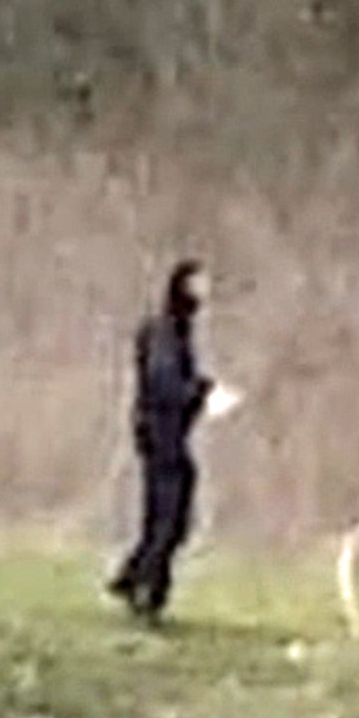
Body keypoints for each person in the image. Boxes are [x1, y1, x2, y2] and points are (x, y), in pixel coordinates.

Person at [108, 260, 235, 625]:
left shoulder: (177, 330)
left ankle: (134, 578)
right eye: (198, 286)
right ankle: (145, 591)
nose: (205, 293)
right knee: (169, 520)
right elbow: (164, 384)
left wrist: (204, 388)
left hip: (167, 436)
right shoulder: (164, 331)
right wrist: (202, 393)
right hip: (161, 437)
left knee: (168, 519)